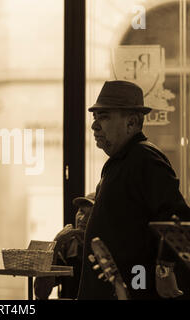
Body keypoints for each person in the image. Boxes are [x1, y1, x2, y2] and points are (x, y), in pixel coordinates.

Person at [77, 80, 190, 300]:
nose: (94, 126)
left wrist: (164, 269)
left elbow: (177, 216)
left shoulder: (144, 158)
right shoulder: (123, 160)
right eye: (95, 117)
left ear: (131, 122)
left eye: (104, 116)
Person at [34, 193, 95, 299]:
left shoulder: (106, 247)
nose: (82, 218)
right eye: (81, 211)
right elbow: (40, 293)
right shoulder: (67, 245)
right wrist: (56, 244)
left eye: (91, 214)